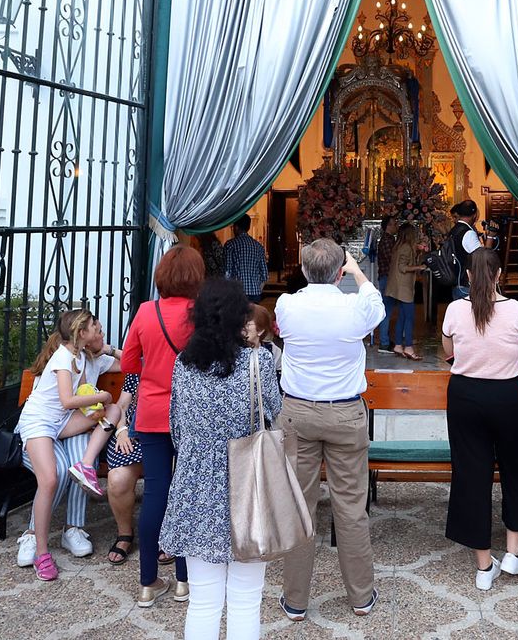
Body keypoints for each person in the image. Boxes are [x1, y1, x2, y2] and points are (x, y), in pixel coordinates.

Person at [162, 279, 283, 639]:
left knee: (203, 600)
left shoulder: (184, 364)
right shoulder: (258, 361)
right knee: (246, 599)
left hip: (196, 486)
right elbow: (274, 412)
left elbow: (176, 429)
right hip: (249, 486)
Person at [273, 239, 385, 621]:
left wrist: (342, 271)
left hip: (299, 413)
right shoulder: (355, 307)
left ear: (304, 270)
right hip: (344, 414)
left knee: (300, 506)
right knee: (351, 509)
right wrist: (357, 271)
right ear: (338, 273)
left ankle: (296, 600)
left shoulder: (287, 306)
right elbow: (377, 306)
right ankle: (360, 596)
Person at [440, 247, 518, 590]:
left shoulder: (454, 309)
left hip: (466, 396)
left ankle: (484, 566)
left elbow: (447, 352)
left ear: (467, 276)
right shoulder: (517, 311)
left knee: (470, 474)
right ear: (498, 275)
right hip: (508, 394)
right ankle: (513, 552)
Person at [117, 246, 203, 606]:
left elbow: (128, 363)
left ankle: (147, 582)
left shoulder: (145, 312)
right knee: (186, 493)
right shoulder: (200, 314)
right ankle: (184, 579)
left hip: (151, 413)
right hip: (189, 413)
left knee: (156, 493)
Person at [13, 307, 123, 579]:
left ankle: (85, 467)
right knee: (50, 478)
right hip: (40, 422)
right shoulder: (63, 357)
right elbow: (68, 400)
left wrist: (99, 405)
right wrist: (104, 396)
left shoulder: (82, 357)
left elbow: (84, 392)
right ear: (81, 333)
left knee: (113, 413)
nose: (100, 330)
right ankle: (41, 552)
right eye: (95, 327)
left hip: (62, 422)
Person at [102, 372, 145, 567]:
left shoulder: (183, 361)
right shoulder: (137, 369)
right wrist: (121, 431)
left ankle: (165, 533)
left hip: (166, 433)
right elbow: (122, 405)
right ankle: (125, 534)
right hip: (132, 433)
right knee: (118, 480)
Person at [378, 220, 425, 360]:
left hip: (397, 286)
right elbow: (402, 267)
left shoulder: (399, 245)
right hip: (404, 288)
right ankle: (409, 347)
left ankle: (398, 345)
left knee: (402, 317)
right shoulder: (405, 247)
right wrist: (419, 267)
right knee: (409, 318)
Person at [224, 214, 269, 302]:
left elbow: (227, 272)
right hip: (255, 293)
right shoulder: (258, 246)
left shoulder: (230, 245)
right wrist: (257, 288)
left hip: (237, 292)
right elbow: (265, 274)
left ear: (236, 227)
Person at [448, 200, 481, 300]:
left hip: (457, 283)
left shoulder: (453, 230)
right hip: (467, 284)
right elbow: (482, 258)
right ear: (474, 215)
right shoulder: (468, 233)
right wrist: (491, 238)